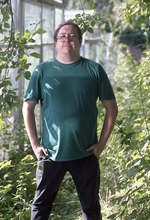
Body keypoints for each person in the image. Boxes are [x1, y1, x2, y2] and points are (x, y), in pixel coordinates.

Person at [22, 20, 118, 220]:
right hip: (50, 154)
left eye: (72, 35)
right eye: (62, 36)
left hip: (86, 153)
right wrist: (35, 144)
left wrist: (101, 144)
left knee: (91, 209)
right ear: (55, 43)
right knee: (40, 208)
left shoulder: (94, 70)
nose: (67, 39)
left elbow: (112, 109)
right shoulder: (42, 71)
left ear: (80, 41)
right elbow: (27, 107)